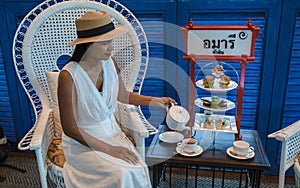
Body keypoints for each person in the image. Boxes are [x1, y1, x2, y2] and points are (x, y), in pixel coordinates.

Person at [58, 11, 176, 187]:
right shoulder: (68, 76)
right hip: (83, 144)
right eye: (105, 43)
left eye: (111, 41)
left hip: (112, 133)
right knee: (123, 172)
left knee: (137, 166)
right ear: (88, 45)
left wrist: (155, 100)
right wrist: (108, 149)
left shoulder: (110, 63)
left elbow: (123, 96)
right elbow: (70, 129)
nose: (111, 47)